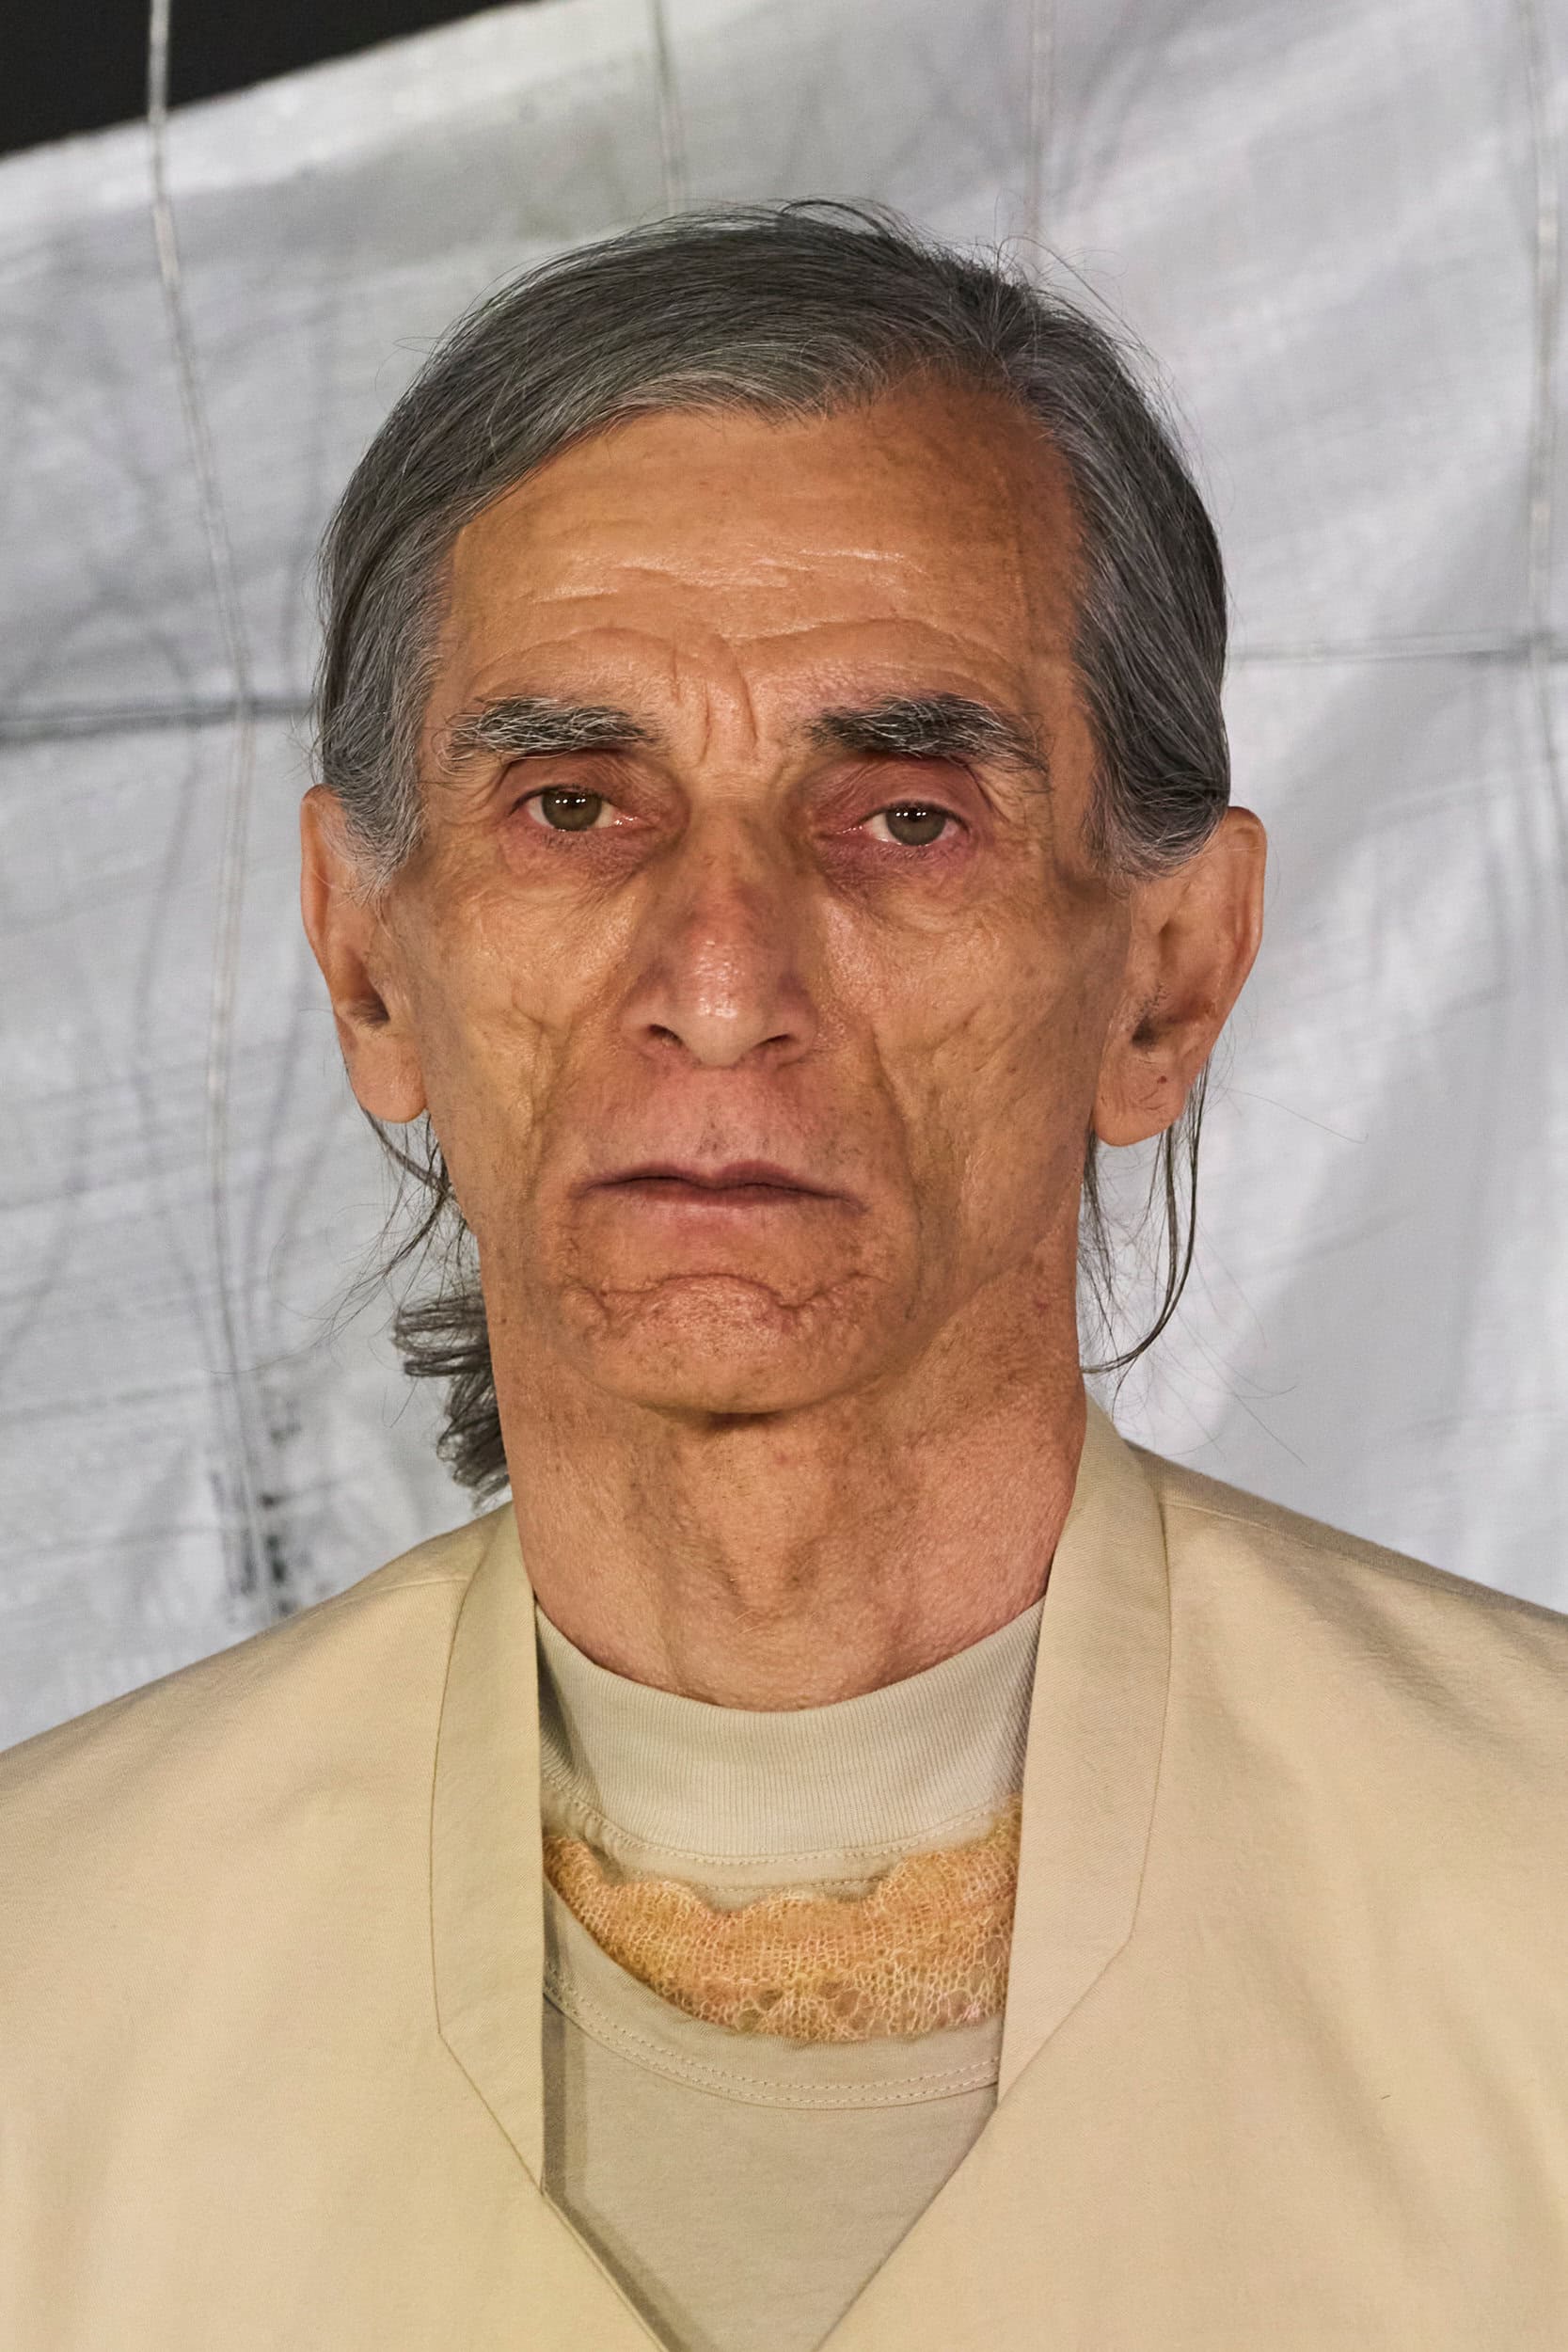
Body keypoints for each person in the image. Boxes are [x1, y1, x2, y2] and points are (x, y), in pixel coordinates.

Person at [1, 203, 1563, 2352]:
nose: (721, 983)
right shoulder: (45, 1991)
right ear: (367, 958)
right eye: (572, 805)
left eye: (906, 817)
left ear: (1169, 975)